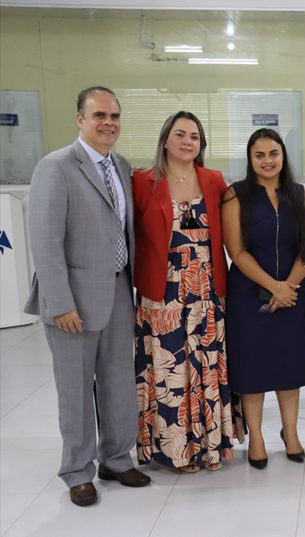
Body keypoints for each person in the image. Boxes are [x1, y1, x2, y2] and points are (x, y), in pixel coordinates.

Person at [24, 87, 151, 506]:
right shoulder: (55, 167)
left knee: (118, 383)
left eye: (114, 115)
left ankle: (116, 458)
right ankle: (77, 471)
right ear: (80, 118)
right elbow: (45, 241)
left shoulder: (121, 164)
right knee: (76, 389)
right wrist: (60, 303)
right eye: (99, 115)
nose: (108, 122)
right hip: (72, 300)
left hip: (117, 288)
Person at [132, 111, 241, 472]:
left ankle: (210, 447)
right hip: (161, 298)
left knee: (207, 371)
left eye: (194, 136)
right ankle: (175, 452)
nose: (187, 141)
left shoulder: (213, 180)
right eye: (180, 134)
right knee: (171, 377)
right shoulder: (142, 181)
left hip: (207, 296)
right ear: (165, 139)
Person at [222, 128, 305, 469]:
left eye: (273, 153)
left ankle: (290, 433)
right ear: (250, 159)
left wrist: (288, 287)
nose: (267, 161)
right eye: (259, 155)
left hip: (292, 295)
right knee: (253, 368)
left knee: (289, 367)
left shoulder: (301, 194)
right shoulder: (235, 196)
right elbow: (236, 250)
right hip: (248, 296)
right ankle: (258, 438)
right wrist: (272, 286)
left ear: (283, 156)